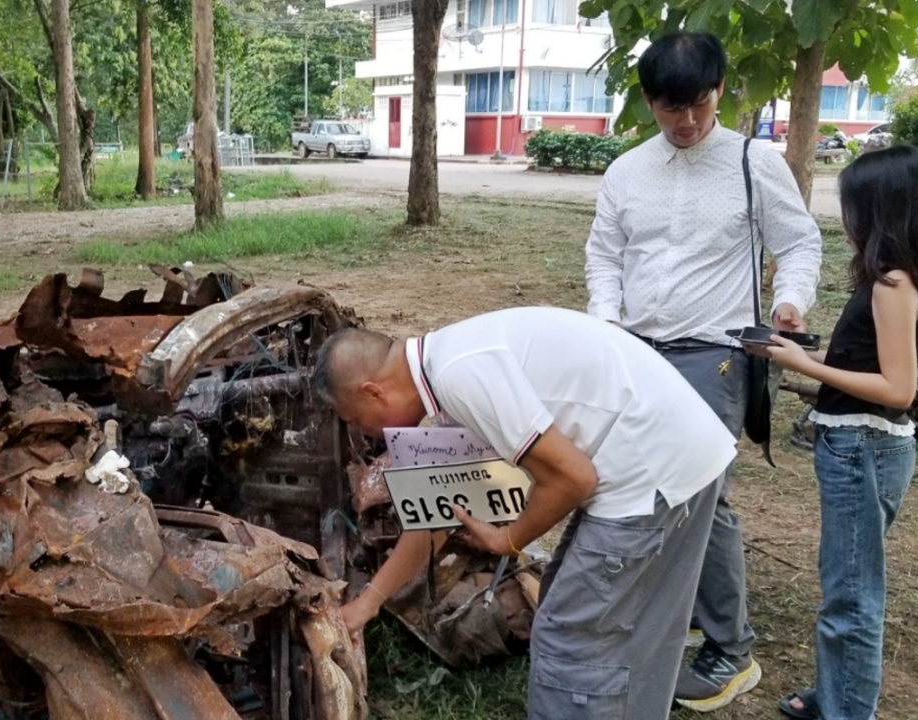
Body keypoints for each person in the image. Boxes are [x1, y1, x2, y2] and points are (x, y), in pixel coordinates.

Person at [312, 307, 738, 719]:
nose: (368, 434)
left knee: (572, 642)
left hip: (649, 472)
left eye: (357, 420)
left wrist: (507, 539)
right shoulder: (444, 367)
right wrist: (368, 603)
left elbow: (573, 478)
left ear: (373, 391)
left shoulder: (459, 374)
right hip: (673, 452)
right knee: (616, 629)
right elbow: (442, 514)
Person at [583, 31, 823, 712]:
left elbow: (800, 243)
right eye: (669, 108)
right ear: (649, 102)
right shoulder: (627, 170)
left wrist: (788, 302)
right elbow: (604, 254)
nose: (686, 121)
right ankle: (682, 611)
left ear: (721, 91)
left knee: (700, 497)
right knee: (644, 489)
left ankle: (731, 650)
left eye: (699, 104)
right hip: (637, 354)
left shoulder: (754, 161)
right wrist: (606, 317)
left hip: (716, 357)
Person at [771, 145, 918, 720]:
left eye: (852, 208)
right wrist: (800, 348)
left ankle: (848, 710)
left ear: (881, 211)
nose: (846, 221)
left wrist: (804, 366)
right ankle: (833, 695)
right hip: (858, 445)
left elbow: (898, 389)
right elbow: (861, 362)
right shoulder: (895, 280)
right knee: (845, 586)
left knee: (851, 597)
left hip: (863, 448)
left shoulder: (891, 284)